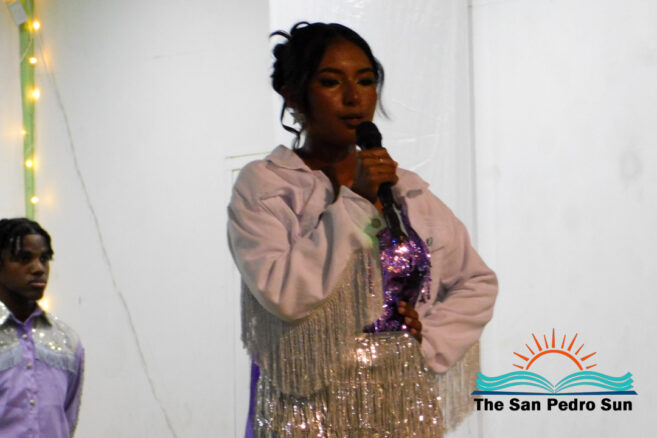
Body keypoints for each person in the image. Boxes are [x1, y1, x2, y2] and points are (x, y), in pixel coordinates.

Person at [228, 22, 498, 437]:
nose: (354, 98)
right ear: (293, 95)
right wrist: (355, 202)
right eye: (331, 82)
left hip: (401, 404)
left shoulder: (404, 188)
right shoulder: (267, 185)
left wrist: (428, 337)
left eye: (366, 81)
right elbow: (283, 293)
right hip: (309, 410)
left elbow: (476, 281)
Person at [0, 218, 84, 437]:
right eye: (24, 258)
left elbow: (67, 419)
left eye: (44, 259)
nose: (38, 269)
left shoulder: (66, 341)